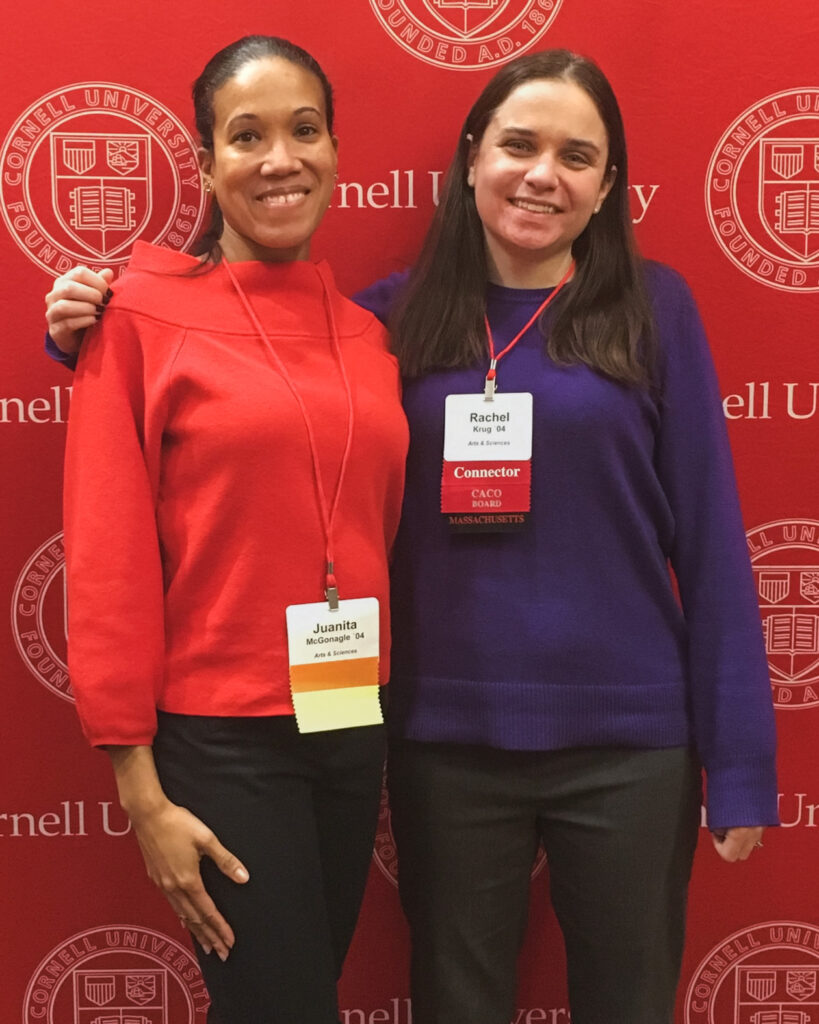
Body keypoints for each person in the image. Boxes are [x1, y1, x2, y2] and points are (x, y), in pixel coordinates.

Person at [46, 48, 777, 1024]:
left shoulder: (651, 309)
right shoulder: (389, 321)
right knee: (451, 996)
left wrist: (739, 760)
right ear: (471, 160)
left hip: (623, 740)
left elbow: (717, 548)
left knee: (631, 997)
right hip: (443, 738)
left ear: (607, 187)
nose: (542, 173)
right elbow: (236, 369)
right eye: (518, 144)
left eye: (576, 155)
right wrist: (83, 325)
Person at [52, 34, 408, 1024]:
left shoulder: (370, 336)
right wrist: (141, 789)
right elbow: (111, 553)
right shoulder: (136, 317)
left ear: (336, 151)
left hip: (346, 718)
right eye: (246, 136)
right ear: (207, 165)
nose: (279, 159)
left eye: (303, 131)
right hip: (220, 743)